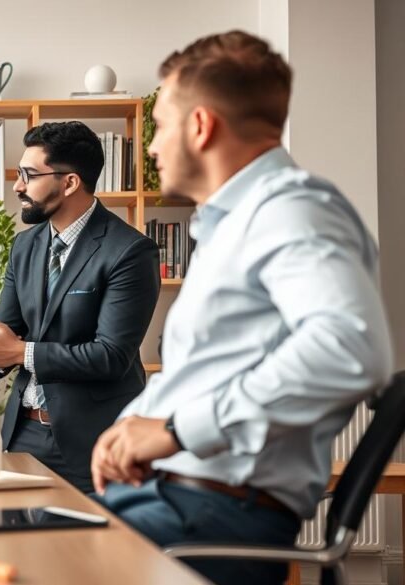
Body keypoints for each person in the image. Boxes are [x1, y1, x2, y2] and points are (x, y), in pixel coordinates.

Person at [89, 31, 394, 585]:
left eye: (160, 126)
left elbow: (351, 346)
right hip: (175, 500)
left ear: (202, 126)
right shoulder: (231, 225)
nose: (153, 148)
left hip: (210, 516)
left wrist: (178, 430)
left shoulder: (293, 209)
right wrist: (129, 426)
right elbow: (207, 367)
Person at [0, 121, 160, 493]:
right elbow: (7, 331)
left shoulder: (129, 251)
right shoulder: (24, 246)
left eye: (29, 175)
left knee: (87, 550)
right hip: (22, 432)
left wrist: (19, 352)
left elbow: (110, 356)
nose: (18, 186)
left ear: (70, 182)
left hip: (93, 439)